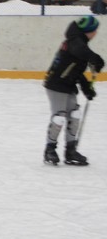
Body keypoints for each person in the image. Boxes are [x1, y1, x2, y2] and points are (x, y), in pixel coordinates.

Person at [43, 16, 104, 166]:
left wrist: (86, 88)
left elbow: (76, 70)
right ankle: (49, 149)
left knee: (75, 114)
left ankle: (70, 150)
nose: (96, 33)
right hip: (56, 84)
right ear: (90, 31)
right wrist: (95, 58)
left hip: (68, 84)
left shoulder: (78, 41)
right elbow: (80, 50)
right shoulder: (75, 42)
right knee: (59, 117)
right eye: (95, 30)